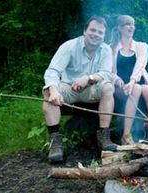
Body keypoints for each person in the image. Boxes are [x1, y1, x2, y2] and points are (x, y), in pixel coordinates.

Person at [42, 16, 117, 162]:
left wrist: (88, 78)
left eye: (100, 32)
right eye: (93, 30)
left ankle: (104, 138)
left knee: (108, 87)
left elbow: (106, 73)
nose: (96, 34)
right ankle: (55, 143)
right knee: (48, 91)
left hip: (90, 90)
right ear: (85, 31)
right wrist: (54, 90)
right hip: (68, 90)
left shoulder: (106, 50)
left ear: (103, 36)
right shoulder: (69, 46)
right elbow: (52, 71)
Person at [110, 15, 148, 145]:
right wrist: (117, 79)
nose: (132, 27)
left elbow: (140, 66)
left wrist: (132, 81)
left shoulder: (141, 47)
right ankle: (126, 135)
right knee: (136, 89)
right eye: (128, 24)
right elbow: (110, 71)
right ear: (120, 28)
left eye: (133, 24)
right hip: (121, 86)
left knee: (147, 90)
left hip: (136, 81)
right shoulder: (112, 48)